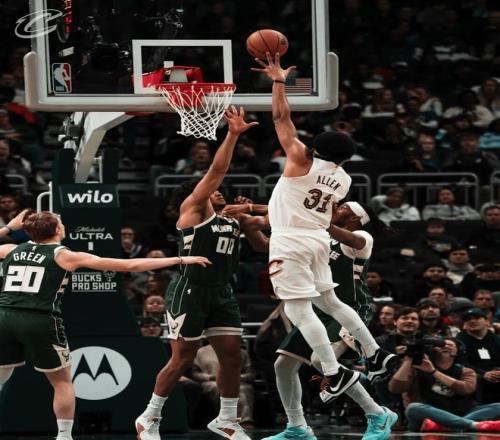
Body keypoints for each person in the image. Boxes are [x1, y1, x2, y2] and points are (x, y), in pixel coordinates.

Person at [252, 52, 396, 405]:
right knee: (329, 301)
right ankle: (375, 353)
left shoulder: (300, 160)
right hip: (317, 241)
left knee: (298, 311)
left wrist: (278, 80)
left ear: (315, 148)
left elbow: (280, 117)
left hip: (290, 241)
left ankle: (334, 372)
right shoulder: (344, 179)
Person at [0, 210, 210, 440]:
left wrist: (8, 229)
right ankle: (64, 437)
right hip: (39, 319)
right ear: (57, 229)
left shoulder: (10, 249)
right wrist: (179, 259)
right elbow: (129, 265)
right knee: (61, 382)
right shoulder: (64, 255)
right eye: (60, 223)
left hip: (4, 316)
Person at [135, 106, 258, 440]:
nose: (219, 190)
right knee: (182, 358)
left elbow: (260, 239)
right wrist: (232, 135)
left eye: (220, 191)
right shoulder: (193, 212)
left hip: (221, 290)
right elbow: (217, 171)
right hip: (190, 289)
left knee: (232, 356)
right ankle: (149, 417)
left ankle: (227, 419)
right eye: (212, 189)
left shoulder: (231, 221)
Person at [236, 202, 398, 440]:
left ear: (356, 218)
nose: (337, 206)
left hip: (349, 308)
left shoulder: (362, 237)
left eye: (344, 207)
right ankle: (297, 427)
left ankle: (377, 413)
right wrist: (247, 222)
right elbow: (263, 245)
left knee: (320, 360)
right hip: (316, 309)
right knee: (283, 366)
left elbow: (349, 238)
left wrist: (315, 217)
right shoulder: (317, 236)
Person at [388, 338, 500, 432]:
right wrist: (408, 360)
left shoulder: (466, 371)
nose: (446, 346)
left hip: (461, 413)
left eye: (451, 345)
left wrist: (433, 372)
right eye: (441, 345)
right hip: (428, 416)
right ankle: (467, 425)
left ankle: (451, 426)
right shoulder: (417, 367)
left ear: (458, 351)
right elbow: (395, 389)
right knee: (413, 408)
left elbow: (466, 389)